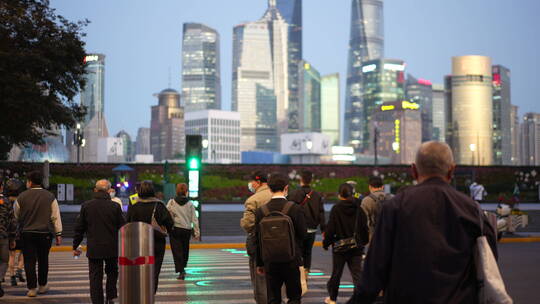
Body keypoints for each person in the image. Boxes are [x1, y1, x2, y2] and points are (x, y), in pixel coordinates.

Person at [348, 141, 498, 304]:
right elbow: (489, 262)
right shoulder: (472, 210)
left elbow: (374, 272)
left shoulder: (395, 207)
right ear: (451, 170)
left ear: (414, 170)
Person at [254, 172, 307, 304]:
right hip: (292, 260)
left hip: (270, 261)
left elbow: (258, 240)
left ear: (269, 188)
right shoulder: (294, 208)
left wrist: (260, 263)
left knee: (273, 298)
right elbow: (303, 234)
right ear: (286, 188)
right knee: (294, 297)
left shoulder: (261, 211)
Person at [73, 179, 126, 304]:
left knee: (95, 276)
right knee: (112, 272)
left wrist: (75, 245)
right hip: (112, 247)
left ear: (95, 190)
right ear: (108, 191)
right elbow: (122, 227)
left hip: (94, 247)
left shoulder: (86, 206)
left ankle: (97, 301)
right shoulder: (115, 206)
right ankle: (110, 297)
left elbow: (79, 228)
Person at [14, 171, 62, 297]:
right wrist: (58, 234)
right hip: (44, 233)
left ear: (30, 182)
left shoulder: (21, 196)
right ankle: (42, 286)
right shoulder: (50, 196)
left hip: (27, 233)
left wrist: (14, 233)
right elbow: (56, 217)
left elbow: (15, 216)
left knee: (29, 261)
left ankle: (31, 289)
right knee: (43, 260)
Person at [322, 183, 369, 304]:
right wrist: (363, 242)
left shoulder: (336, 208)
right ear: (351, 194)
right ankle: (360, 299)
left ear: (339, 195)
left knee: (336, 273)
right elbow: (364, 227)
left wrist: (326, 243)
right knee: (357, 275)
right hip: (356, 247)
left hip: (339, 247)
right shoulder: (359, 208)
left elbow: (331, 228)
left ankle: (333, 298)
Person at [126, 181, 173, 294]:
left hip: (138, 242)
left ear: (140, 191)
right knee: (154, 270)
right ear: (153, 191)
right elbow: (169, 223)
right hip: (156, 242)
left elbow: (127, 223)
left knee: (140, 267)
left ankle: (140, 291)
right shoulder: (159, 205)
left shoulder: (134, 206)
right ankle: (151, 293)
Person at [240, 171, 273, 304]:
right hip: (280, 244)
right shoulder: (277, 196)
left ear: (258, 182)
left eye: (252, 181)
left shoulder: (253, 200)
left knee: (260, 280)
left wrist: (242, 222)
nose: (250, 184)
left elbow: (248, 224)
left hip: (259, 244)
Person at [287, 170, 325, 274]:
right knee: (308, 252)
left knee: (297, 252)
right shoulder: (317, 195)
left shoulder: (293, 194)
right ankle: (306, 273)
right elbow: (321, 213)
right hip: (311, 229)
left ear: (301, 179)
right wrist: (323, 229)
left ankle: (298, 274)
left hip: (297, 229)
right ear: (311, 180)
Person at [166, 183, 200, 280]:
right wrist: (197, 232)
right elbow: (194, 219)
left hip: (175, 229)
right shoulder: (190, 204)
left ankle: (181, 270)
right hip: (186, 230)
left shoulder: (171, 202)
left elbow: (167, 213)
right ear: (186, 192)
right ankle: (183, 267)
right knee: (185, 250)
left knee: (177, 251)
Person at [4, 178, 26, 287]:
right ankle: (19, 271)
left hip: (9, 232)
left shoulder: (5, 201)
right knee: (23, 253)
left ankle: (12, 276)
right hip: (21, 231)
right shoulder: (22, 201)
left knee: (11, 255)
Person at [360, 176, 393, 241]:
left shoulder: (366, 200)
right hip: (391, 236)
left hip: (373, 237)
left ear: (370, 187)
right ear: (382, 186)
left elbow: (363, 222)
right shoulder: (393, 198)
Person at [0, 179, 17, 297]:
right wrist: (12, 238)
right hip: (3, 237)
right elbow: (12, 221)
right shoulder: (6, 201)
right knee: (3, 261)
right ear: (1, 187)